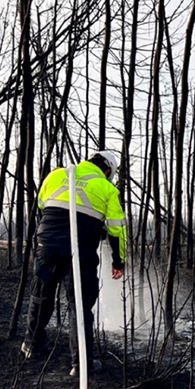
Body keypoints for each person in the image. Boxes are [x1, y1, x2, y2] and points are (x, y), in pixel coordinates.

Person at [22, 149, 127, 376]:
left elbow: (41, 205)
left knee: (41, 295)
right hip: (81, 251)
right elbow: (117, 229)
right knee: (79, 305)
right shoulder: (107, 188)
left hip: (47, 245)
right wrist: (119, 262)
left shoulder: (57, 175)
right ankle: (81, 365)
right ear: (107, 170)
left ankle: (31, 346)